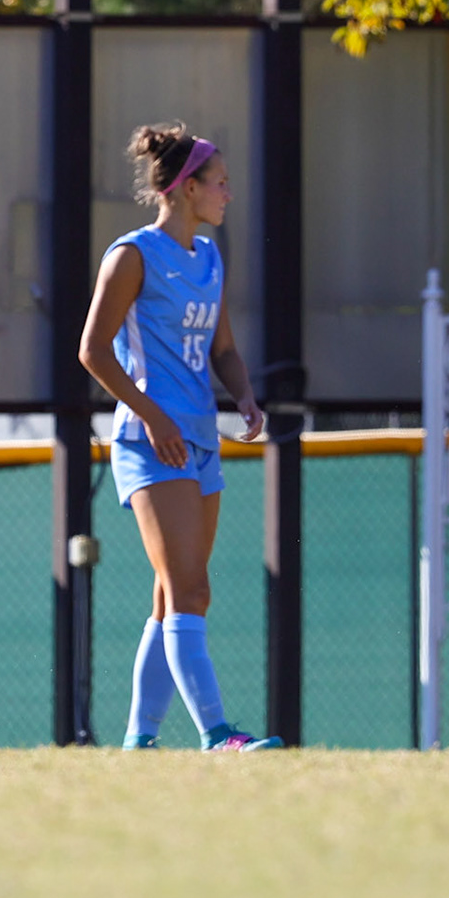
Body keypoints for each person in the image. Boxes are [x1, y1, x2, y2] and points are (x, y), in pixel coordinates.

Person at [78, 123, 281, 752]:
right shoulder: (132, 255)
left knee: (174, 596)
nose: (227, 194)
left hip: (199, 438)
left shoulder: (210, 258)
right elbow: (92, 352)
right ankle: (219, 734)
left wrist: (243, 393)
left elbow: (222, 349)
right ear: (186, 187)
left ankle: (139, 740)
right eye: (218, 183)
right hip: (150, 440)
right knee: (191, 588)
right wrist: (153, 416)